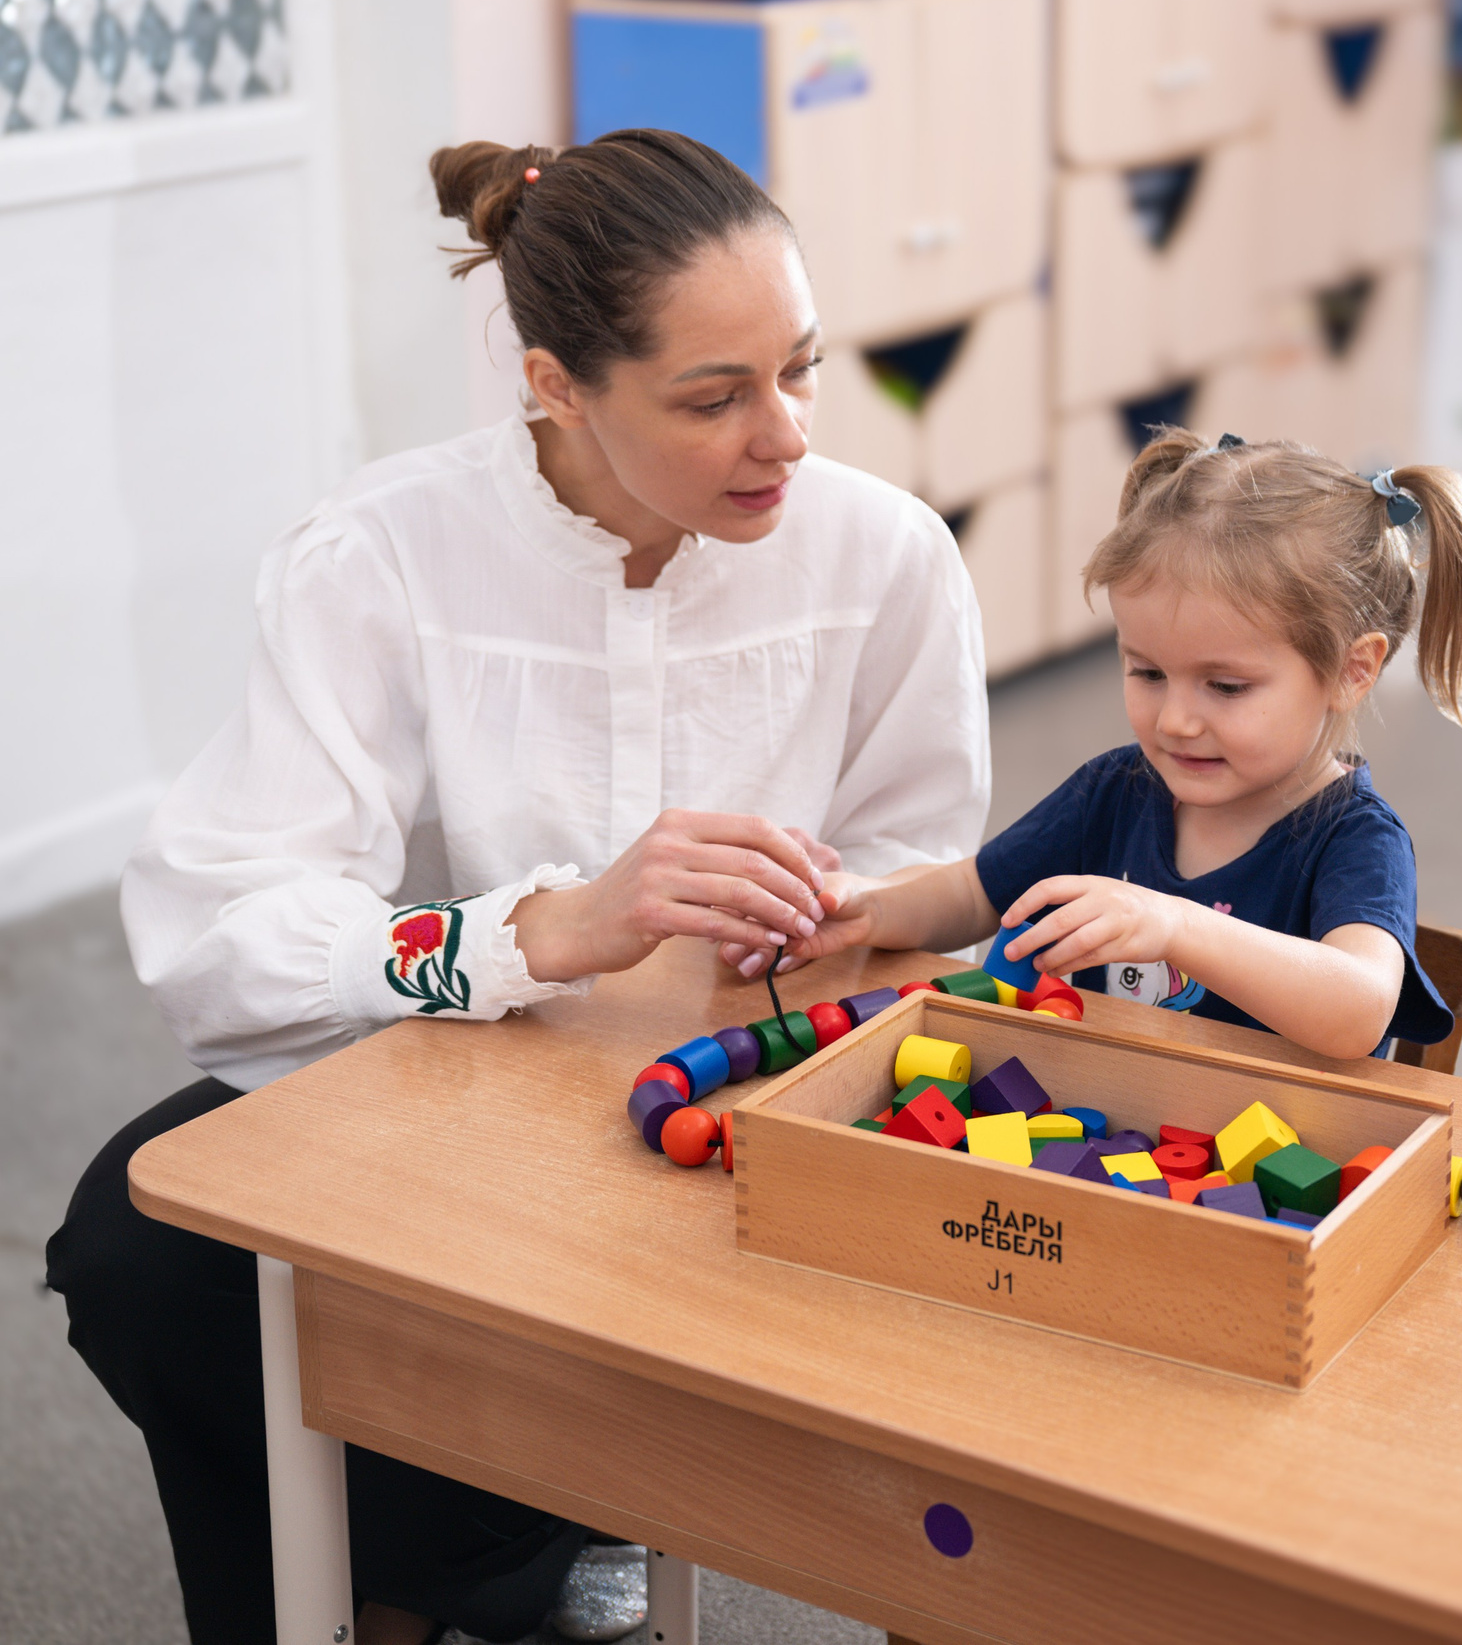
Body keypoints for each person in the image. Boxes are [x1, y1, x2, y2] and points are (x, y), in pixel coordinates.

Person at [45, 130, 991, 1644]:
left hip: (737, 1091)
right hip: (455, 1079)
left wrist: (819, 933)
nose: (788, 435)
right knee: (134, 1255)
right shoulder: (380, 554)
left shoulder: (885, 560)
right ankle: (479, 1548)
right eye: (715, 395)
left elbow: (926, 884)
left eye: (802, 368)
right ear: (553, 381)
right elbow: (220, 936)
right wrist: (535, 932)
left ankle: (441, 1563)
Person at [783, 430, 1462, 1059]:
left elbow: (1360, 1005)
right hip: (1105, 1136)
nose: (1175, 721)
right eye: (1146, 672)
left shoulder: (1354, 838)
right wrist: (870, 907)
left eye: (1225, 687)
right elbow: (973, 894)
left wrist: (1174, 925)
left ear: (1350, 670)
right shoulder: (1116, 792)